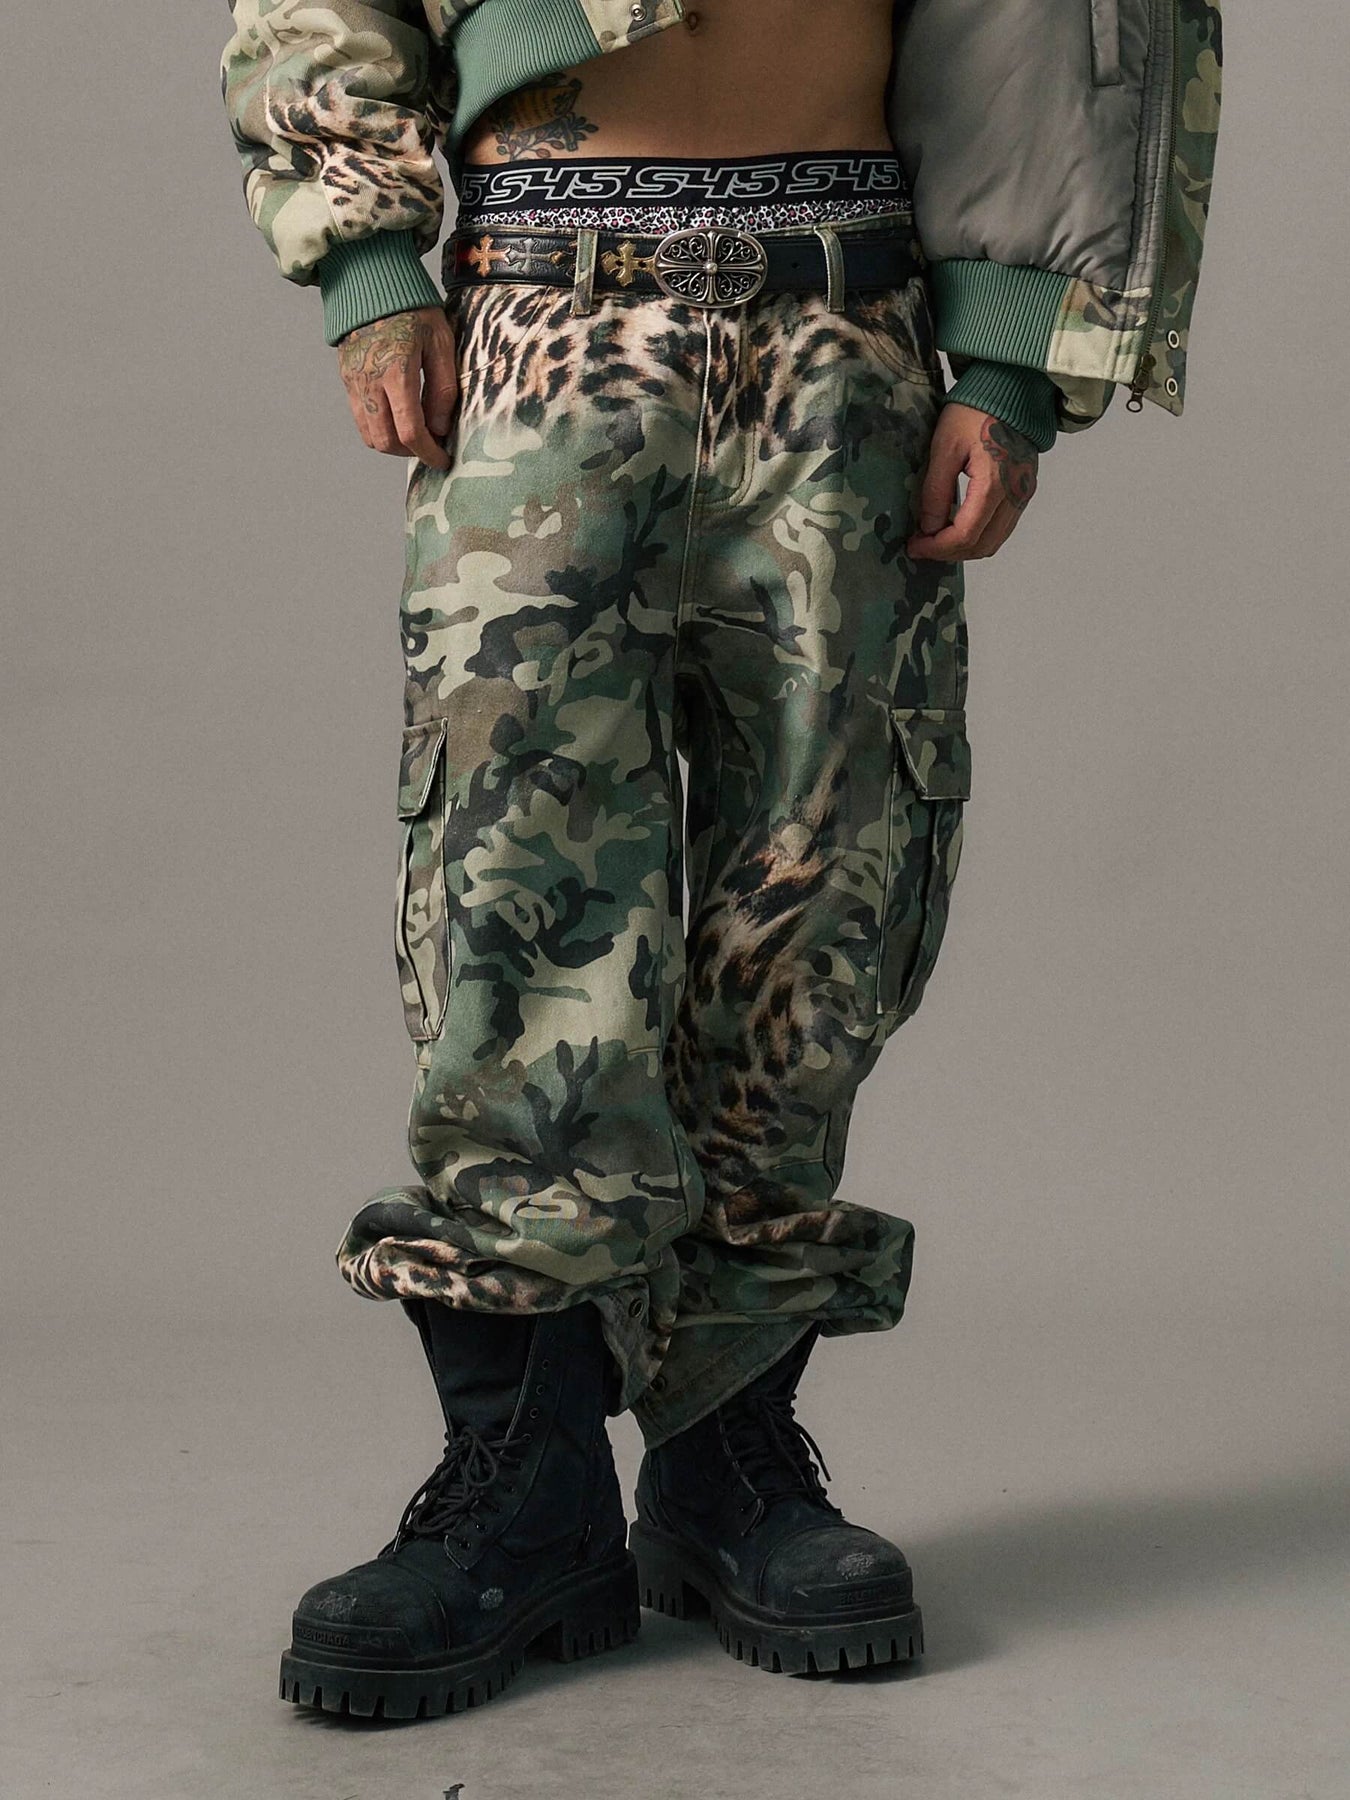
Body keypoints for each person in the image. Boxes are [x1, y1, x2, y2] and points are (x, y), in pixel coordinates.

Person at [221, 0, 1224, 1718]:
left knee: (818, 896)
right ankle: (526, 1480)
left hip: (848, 332)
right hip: (545, 305)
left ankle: (724, 1456)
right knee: (514, 890)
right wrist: (366, 257)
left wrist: (1004, 366)